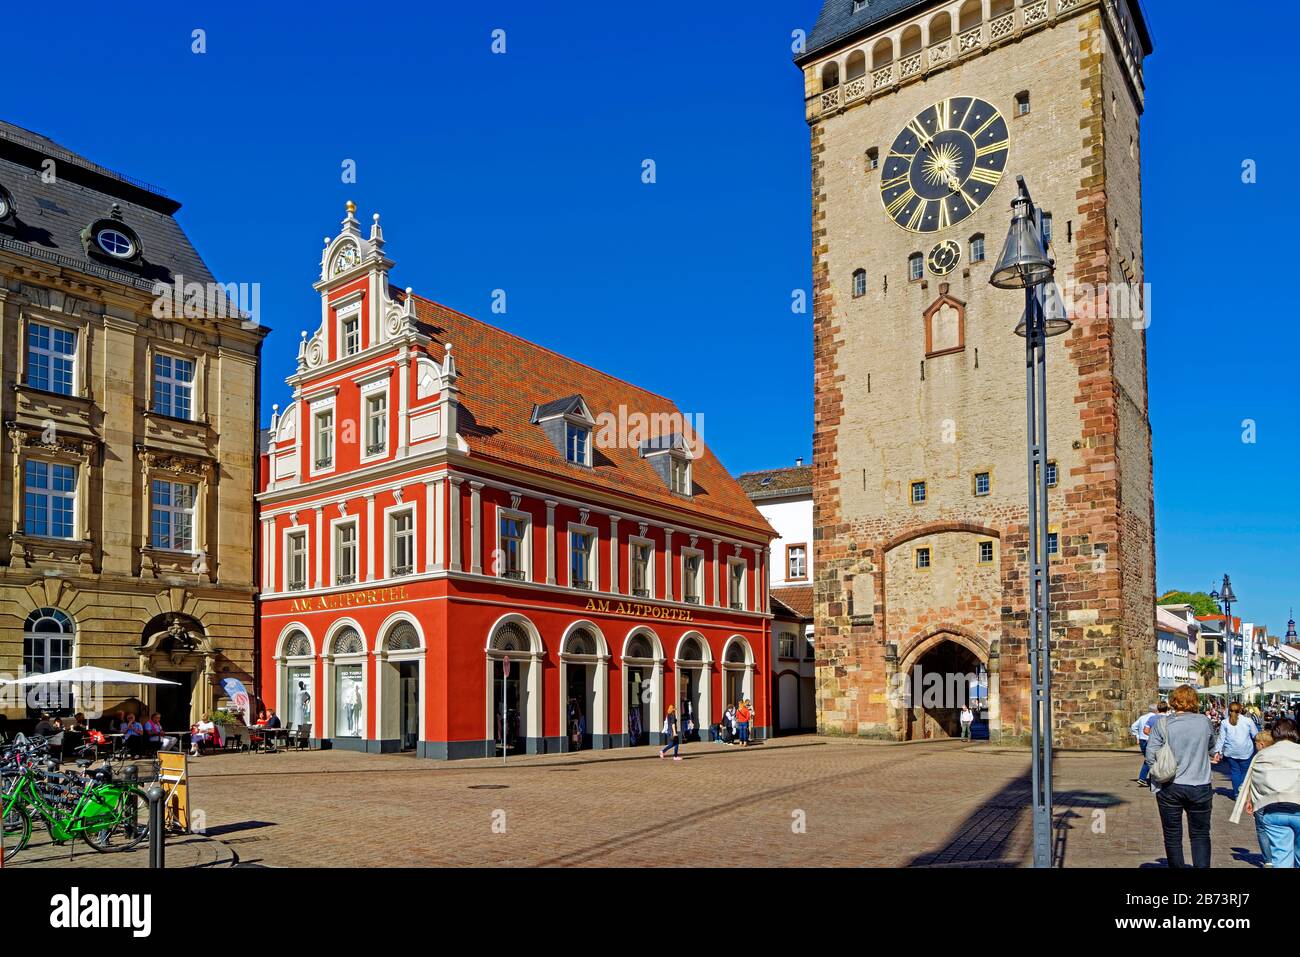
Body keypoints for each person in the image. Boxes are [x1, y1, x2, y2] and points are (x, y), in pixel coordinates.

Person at [1145, 684, 1217, 868]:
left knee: (1172, 834)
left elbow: (1150, 755)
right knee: (1200, 834)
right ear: (1195, 701)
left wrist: (1158, 772)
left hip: (1170, 785)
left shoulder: (1163, 723)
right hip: (1200, 784)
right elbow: (1212, 747)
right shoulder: (1204, 721)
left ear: (1173, 701)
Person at [1230, 718, 1300, 867]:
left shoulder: (1263, 755)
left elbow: (1255, 778)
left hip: (1273, 810)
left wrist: (1251, 800)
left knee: (1281, 857)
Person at [1215, 701, 1259, 800]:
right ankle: (1242, 791)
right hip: (1245, 751)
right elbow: (1255, 735)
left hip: (1230, 751)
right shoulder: (1248, 721)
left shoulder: (1224, 722)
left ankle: (1236, 794)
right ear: (1241, 710)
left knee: (1235, 772)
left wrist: (1217, 751)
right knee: (1245, 772)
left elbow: (1221, 738)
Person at [1133, 703, 1168, 787]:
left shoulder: (1152, 718)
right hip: (1164, 742)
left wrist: (1153, 735)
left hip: (1152, 742)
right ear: (1166, 709)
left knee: (1149, 759)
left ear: (1158, 709)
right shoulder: (1169, 718)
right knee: (1164, 760)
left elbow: (1145, 730)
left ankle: (1145, 778)